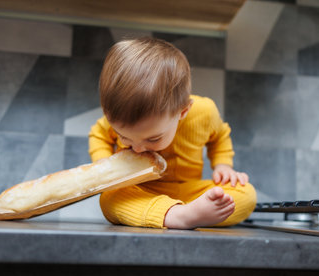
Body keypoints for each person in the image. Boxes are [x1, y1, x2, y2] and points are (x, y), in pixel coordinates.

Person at [89, 37, 256, 229]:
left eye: (153, 138)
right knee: (109, 197)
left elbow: (220, 136)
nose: (137, 148)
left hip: (189, 191)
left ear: (182, 112)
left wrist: (223, 166)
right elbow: (98, 134)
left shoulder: (205, 112)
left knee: (246, 194)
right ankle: (180, 215)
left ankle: (181, 213)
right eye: (124, 136)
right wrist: (103, 166)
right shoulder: (121, 116)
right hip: (141, 190)